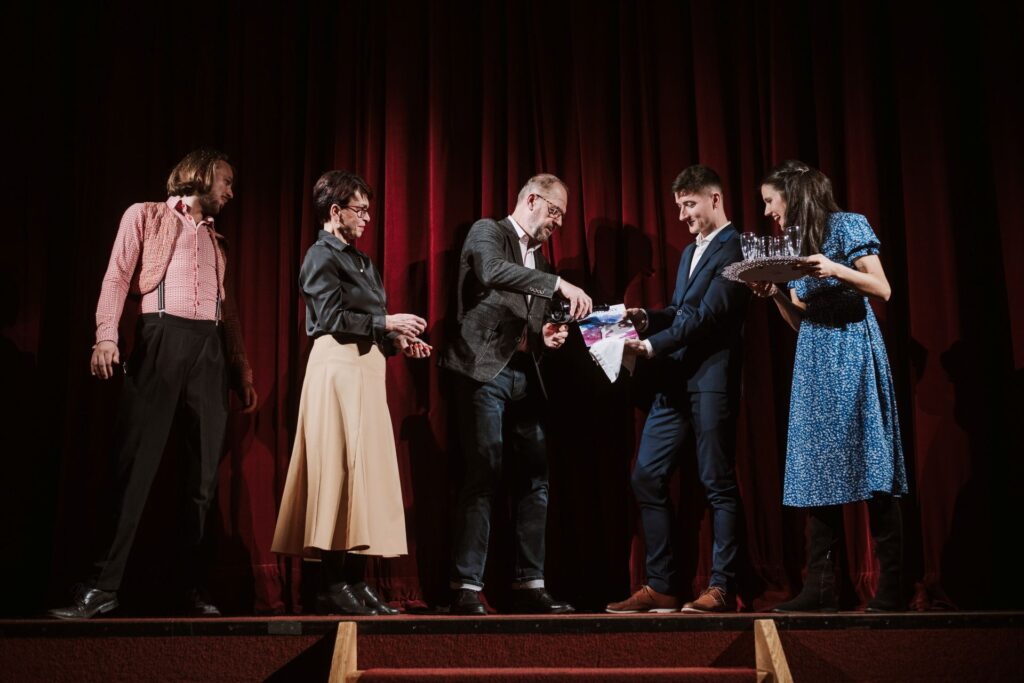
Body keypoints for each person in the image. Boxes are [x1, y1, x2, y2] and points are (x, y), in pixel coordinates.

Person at [49, 149, 258, 619]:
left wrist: (240, 370)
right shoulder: (146, 215)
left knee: (202, 480)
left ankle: (191, 587)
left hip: (208, 350)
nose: (230, 191)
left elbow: (228, 312)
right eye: (226, 180)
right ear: (201, 175)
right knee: (134, 467)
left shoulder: (217, 241)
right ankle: (102, 585)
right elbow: (116, 277)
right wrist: (106, 336)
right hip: (161, 337)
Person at [271, 171, 430, 616]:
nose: (367, 218)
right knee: (338, 471)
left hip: (366, 371)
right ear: (335, 211)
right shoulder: (320, 256)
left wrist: (397, 341)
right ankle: (332, 582)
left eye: (368, 210)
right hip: (337, 369)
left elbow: (370, 323)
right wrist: (386, 323)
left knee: (366, 476)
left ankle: (357, 580)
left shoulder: (362, 261)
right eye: (360, 209)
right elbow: (329, 318)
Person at [752, 159, 908, 612]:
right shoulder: (794, 244)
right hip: (815, 358)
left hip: (852, 351)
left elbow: (882, 288)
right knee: (817, 467)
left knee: (871, 460)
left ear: (793, 194)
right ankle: (820, 587)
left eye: (770, 200)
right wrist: (776, 293)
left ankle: (892, 586)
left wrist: (835, 268)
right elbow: (801, 319)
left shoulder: (846, 225)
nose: (767, 211)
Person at [441, 173, 592, 615]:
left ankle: (531, 584)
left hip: (525, 377)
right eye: (554, 211)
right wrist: (557, 284)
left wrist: (545, 335)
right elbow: (491, 272)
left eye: (562, 216)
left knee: (535, 478)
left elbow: (530, 322)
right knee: (483, 472)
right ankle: (466, 586)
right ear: (531, 200)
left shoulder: (541, 262)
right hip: (482, 372)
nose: (557, 222)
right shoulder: (489, 232)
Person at [606, 165, 750, 614]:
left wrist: (651, 346)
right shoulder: (690, 252)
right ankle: (663, 586)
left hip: (711, 381)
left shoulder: (737, 248)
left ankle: (722, 586)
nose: (683, 215)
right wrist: (645, 318)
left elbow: (708, 316)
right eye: (679, 206)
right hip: (674, 381)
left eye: (689, 204)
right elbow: (681, 311)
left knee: (716, 481)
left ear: (714, 198)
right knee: (646, 475)